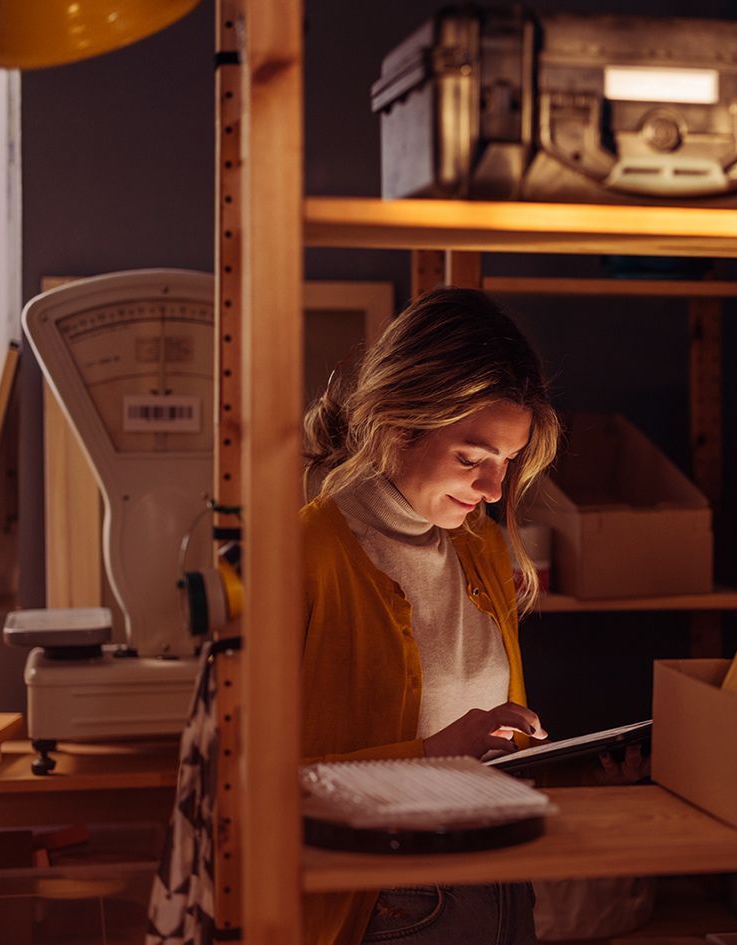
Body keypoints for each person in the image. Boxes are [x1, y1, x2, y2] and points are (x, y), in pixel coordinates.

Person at [300, 286, 560, 945]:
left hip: (503, 880)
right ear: (398, 422)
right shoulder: (304, 556)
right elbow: (264, 787)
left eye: (506, 461)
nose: (494, 489)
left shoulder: (480, 549)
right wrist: (433, 754)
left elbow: (497, 746)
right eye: (471, 458)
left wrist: (580, 767)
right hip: (389, 900)